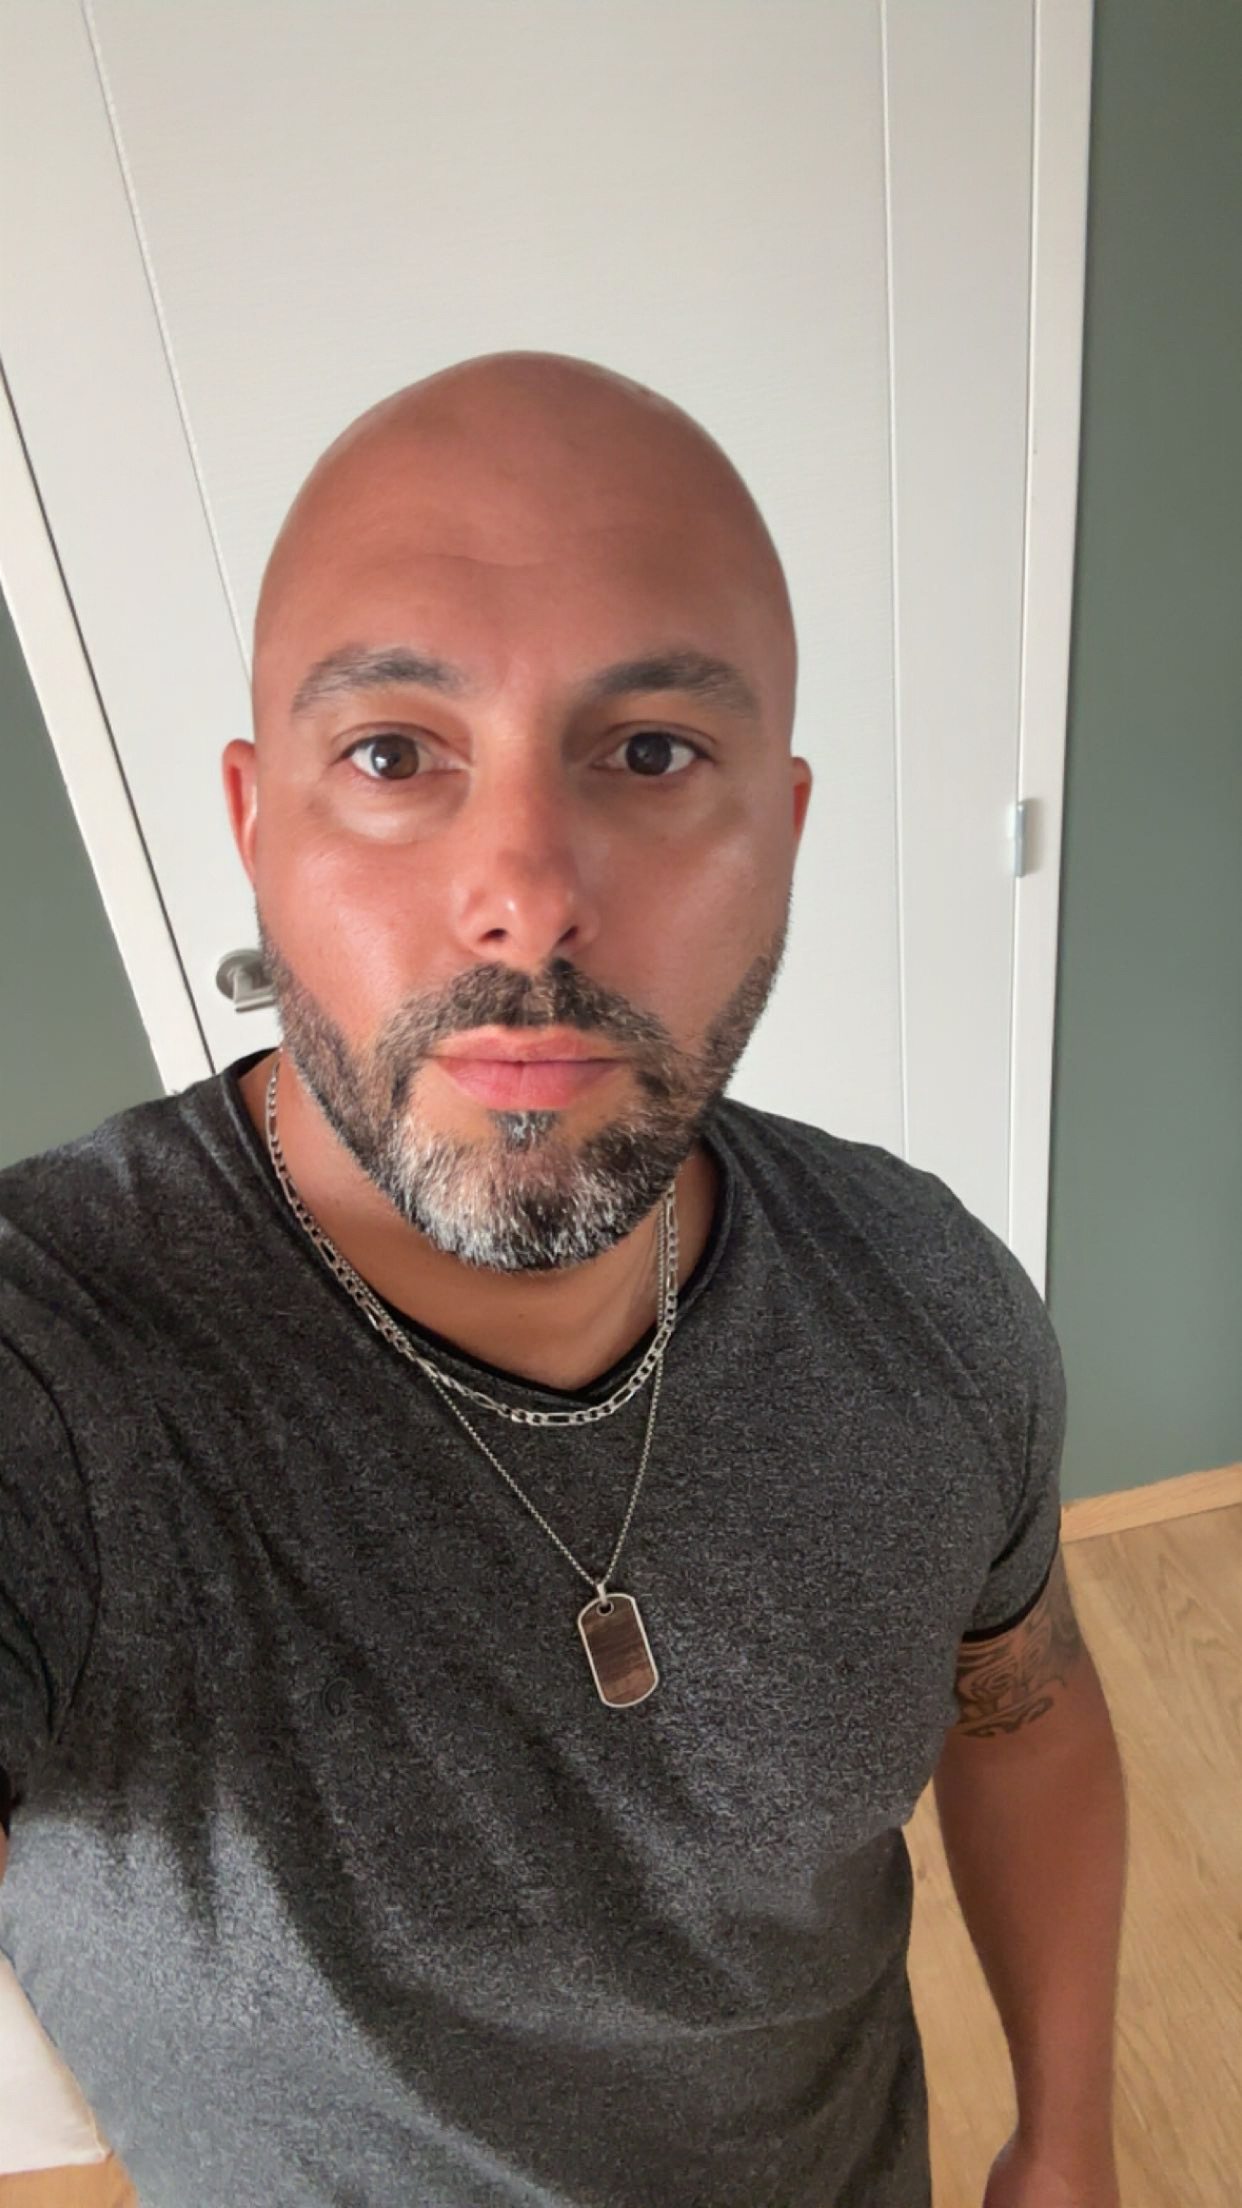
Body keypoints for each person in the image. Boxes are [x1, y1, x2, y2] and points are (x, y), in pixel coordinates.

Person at [0, 352, 1126, 2208]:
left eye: (651, 752)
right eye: (393, 755)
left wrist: (1068, 2134)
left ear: (782, 829)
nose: (525, 893)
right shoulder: (54, 1369)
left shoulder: (930, 1302)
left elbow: (1025, 1708)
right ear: (255, 825)